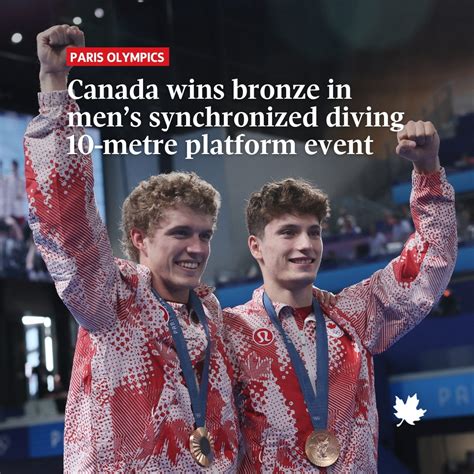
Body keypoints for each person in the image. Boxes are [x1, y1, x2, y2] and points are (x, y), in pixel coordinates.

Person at [25, 25, 239, 472]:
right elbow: (67, 221)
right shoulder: (111, 297)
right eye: (181, 233)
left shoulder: (212, 312)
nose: (197, 248)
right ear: (139, 238)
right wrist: (55, 89)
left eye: (204, 234)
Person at [224, 121, 457, 472]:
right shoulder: (229, 331)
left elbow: (433, 258)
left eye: (313, 233)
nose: (305, 245)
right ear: (255, 246)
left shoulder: (354, 313)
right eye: (288, 232)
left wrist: (428, 171)